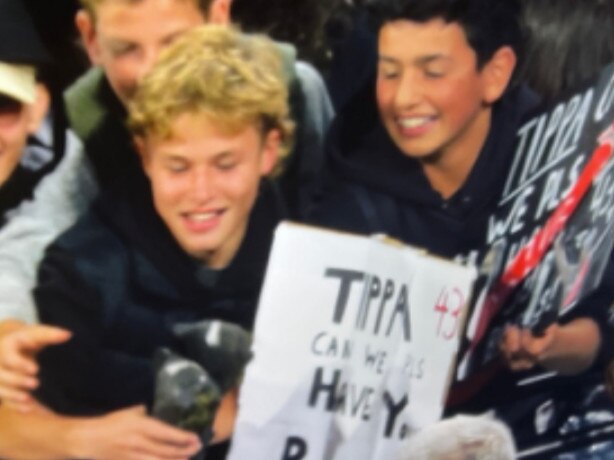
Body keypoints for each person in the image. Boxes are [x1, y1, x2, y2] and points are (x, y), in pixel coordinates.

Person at [309, 0, 614, 451]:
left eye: (432, 72)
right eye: (390, 71)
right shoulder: (345, 214)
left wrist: (550, 345)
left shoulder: (558, 158)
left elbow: (595, 335)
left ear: (495, 74)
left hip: (560, 424)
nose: (404, 97)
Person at [32, 24, 293, 459]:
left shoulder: (307, 263)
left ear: (269, 151)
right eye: (178, 167)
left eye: (225, 164)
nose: (201, 190)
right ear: (144, 155)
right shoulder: (78, 278)